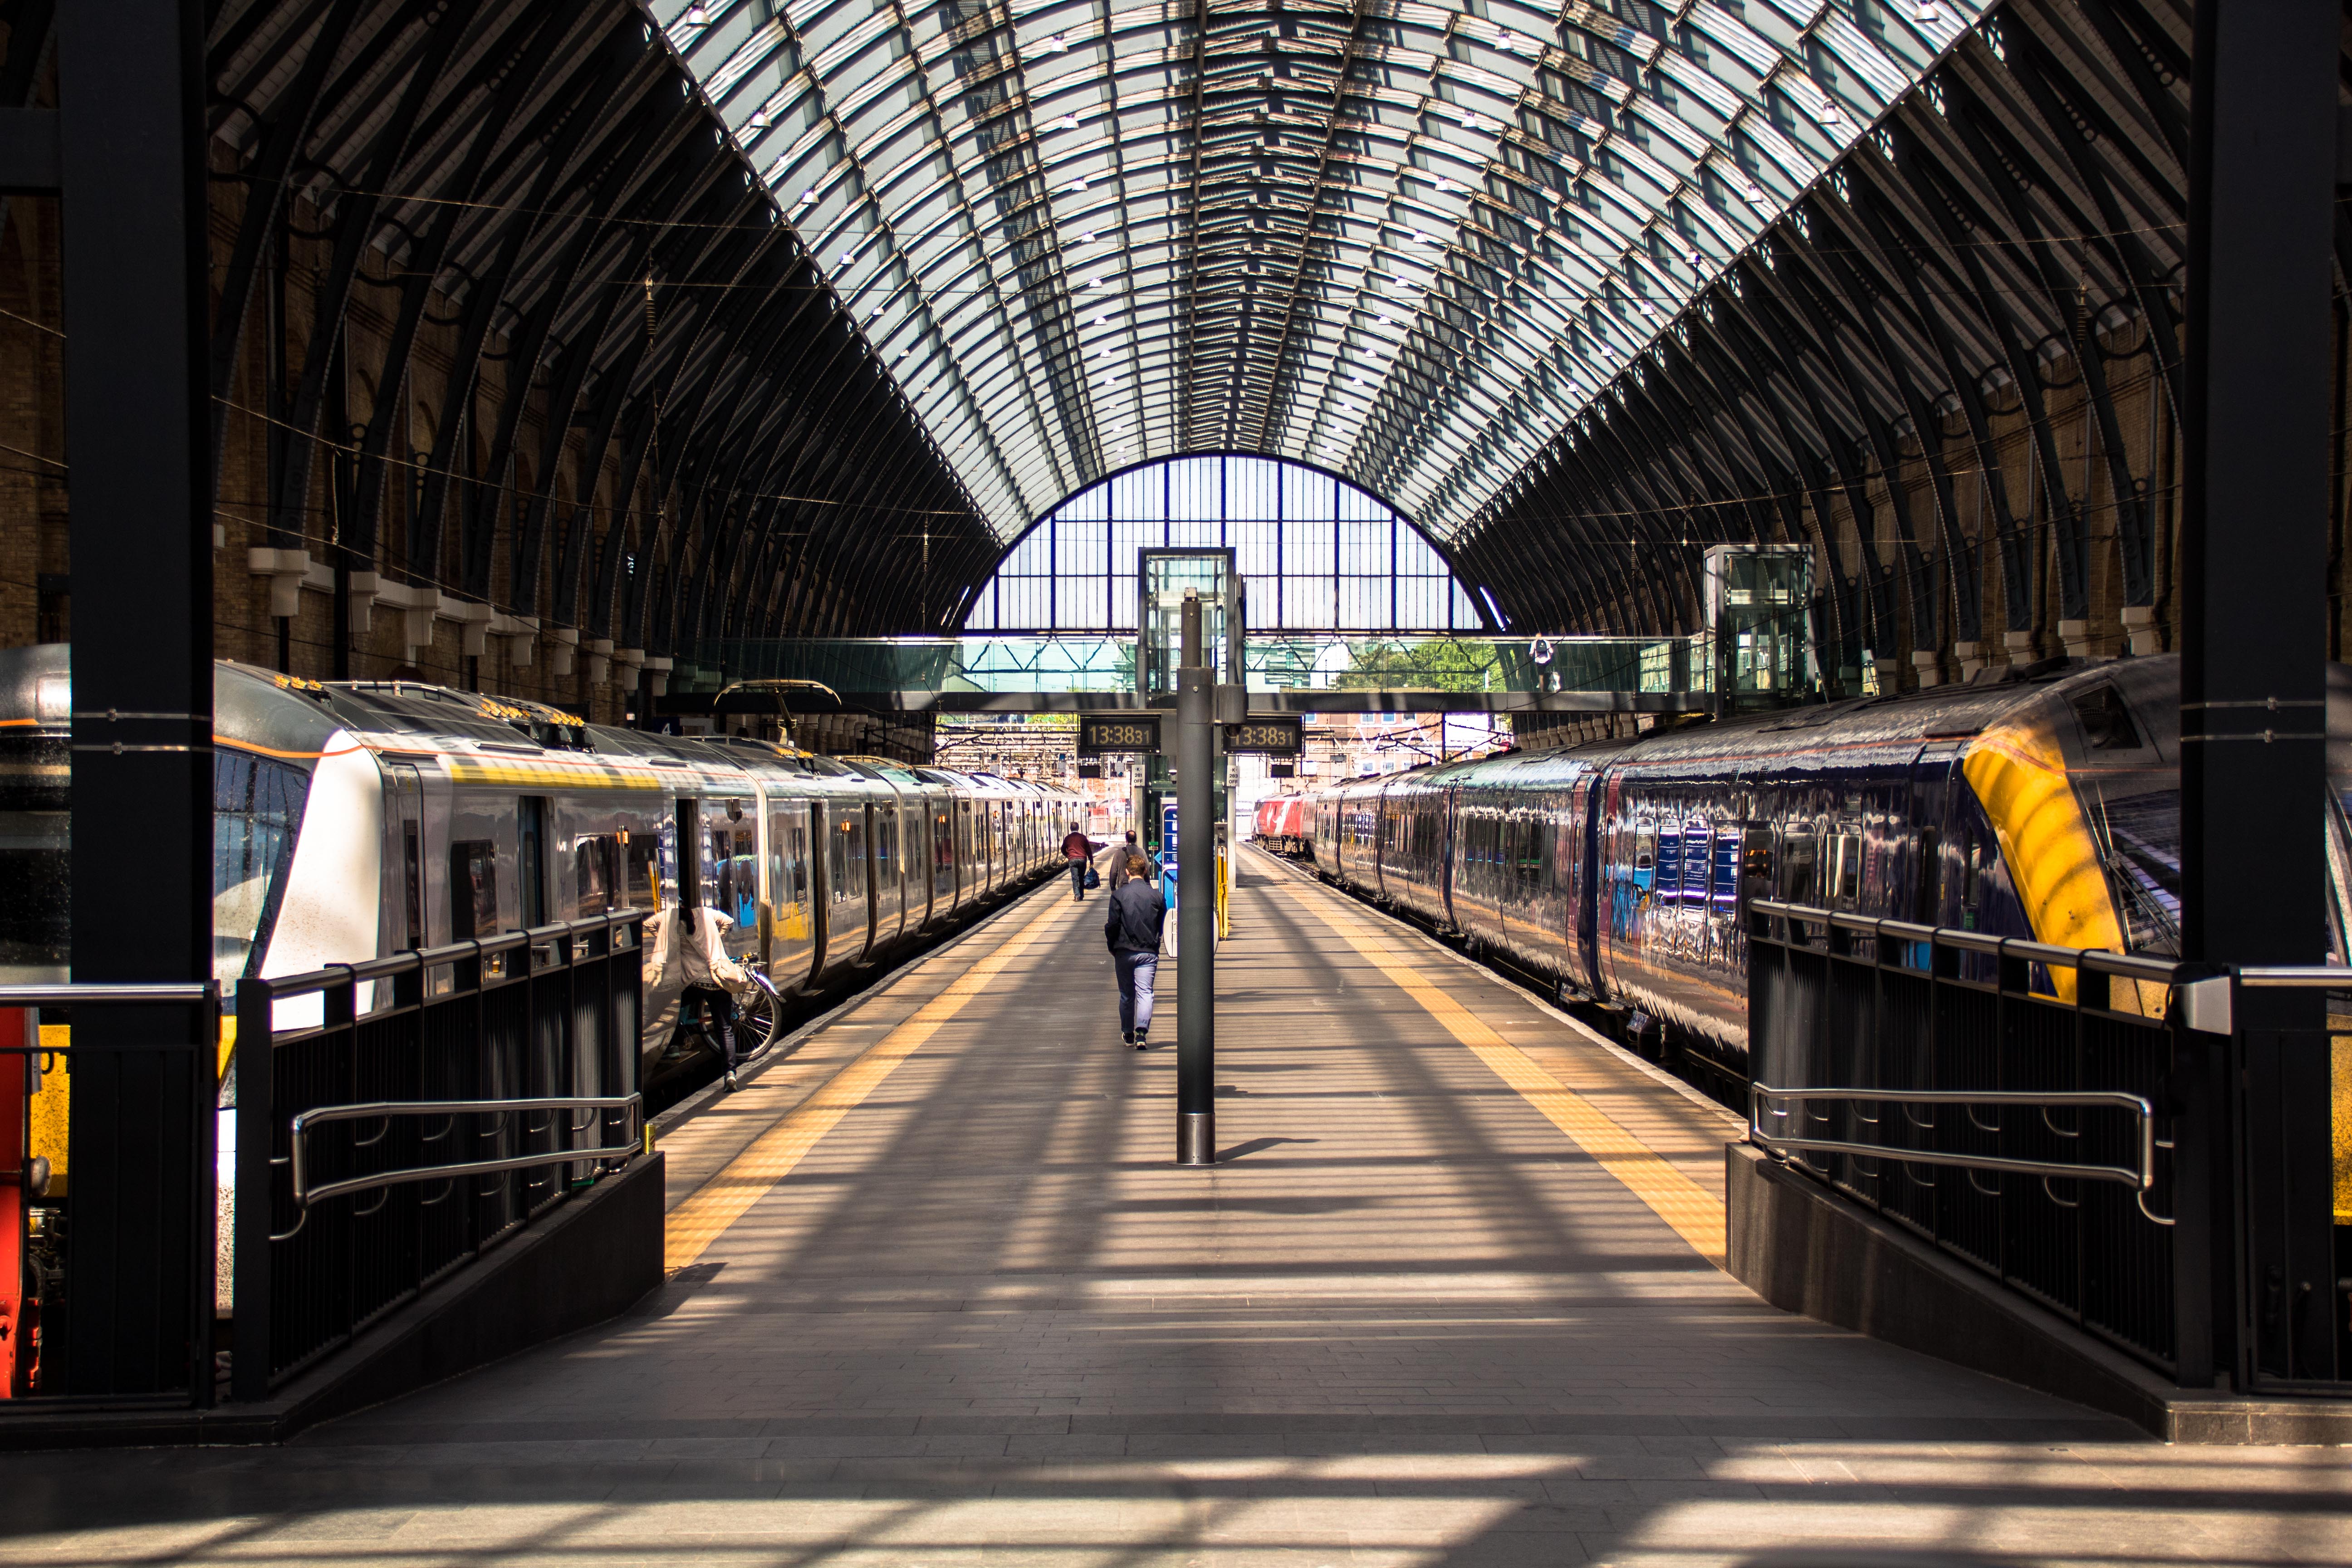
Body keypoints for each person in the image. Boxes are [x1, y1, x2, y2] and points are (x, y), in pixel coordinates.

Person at [679, 904, 753, 1090]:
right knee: (725, 1029)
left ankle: (675, 1043)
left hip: (694, 983)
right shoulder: (706, 913)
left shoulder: (676, 928)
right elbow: (729, 921)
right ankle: (730, 1074)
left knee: (671, 1006)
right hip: (720, 980)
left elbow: (650, 925)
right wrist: (717, 937)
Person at [1104, 850, 1162, 1049]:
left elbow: (1112, 925)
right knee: (1146, 993)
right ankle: (1141, 1034)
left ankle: (1128, 1033)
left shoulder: (1119, 896)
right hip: (1148, 952)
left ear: (1127, 873)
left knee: (1127, 995)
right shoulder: (1157, 896)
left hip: (1123, 951)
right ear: (1146, 871)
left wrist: (1112, 946)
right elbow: (1161, 923)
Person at [1060, 823, 1102, 900]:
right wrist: (1091, 861)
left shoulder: (1068, 838)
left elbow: (1063, 849)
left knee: (1075, 878)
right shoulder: (1083, 838)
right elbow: (1089, 850)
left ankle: (1077, 896)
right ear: (1078, 828)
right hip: (1082, 860)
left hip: (1072, 860)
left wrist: (1068, 856)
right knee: (1081, 878)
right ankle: (1082, 895)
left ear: (1070, 829)